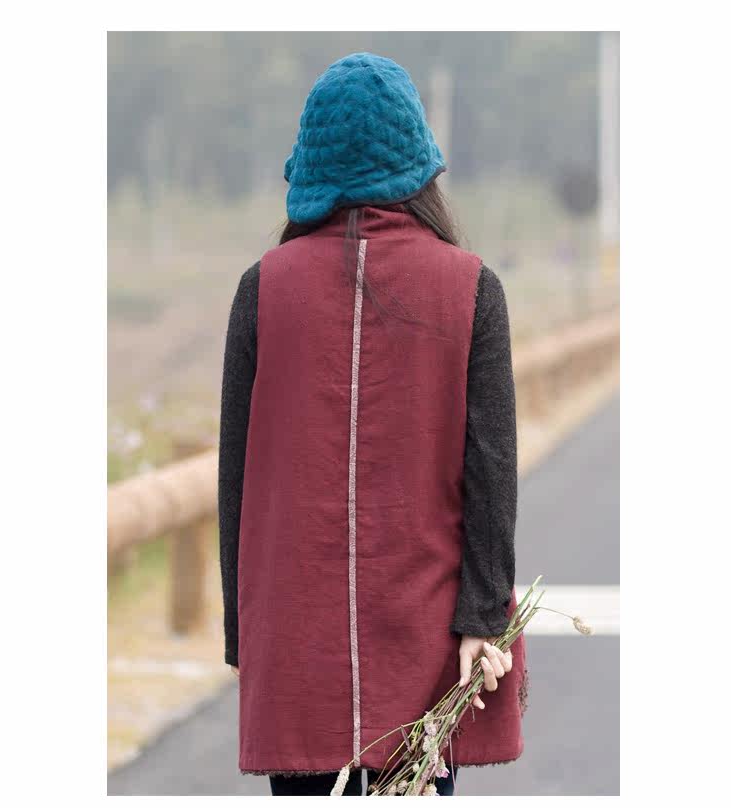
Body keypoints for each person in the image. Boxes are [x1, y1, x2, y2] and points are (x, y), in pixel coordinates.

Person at [218, 52, 527, 798]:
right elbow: (491, 472)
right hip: (430, 644)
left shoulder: (262, 289)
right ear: (419, 164)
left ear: (311, 165)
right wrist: (482, 617)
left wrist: (244, 634)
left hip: (294, 645)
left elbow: (237, 480)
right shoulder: (471, 287)